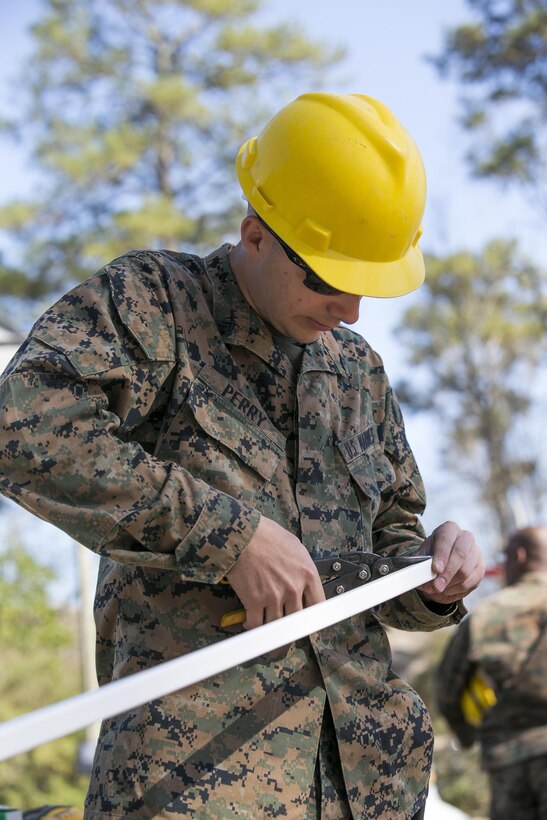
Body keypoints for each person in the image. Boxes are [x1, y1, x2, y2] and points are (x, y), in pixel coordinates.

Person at [0, 92, 484, 819]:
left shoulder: (357, 371)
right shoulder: (154, 304)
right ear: (255, 235)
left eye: (366, 283)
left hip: (372, 786)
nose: (349, 309)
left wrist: (432, 574)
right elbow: (23, 428)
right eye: (326, 278)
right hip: (200, 779)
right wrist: (227, 537)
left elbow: (386, 543)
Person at [436, 525, 547, 820]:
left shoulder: (485, 615)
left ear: (519, 556)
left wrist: (469, 736)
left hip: (508, 758)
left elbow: (447, 690)